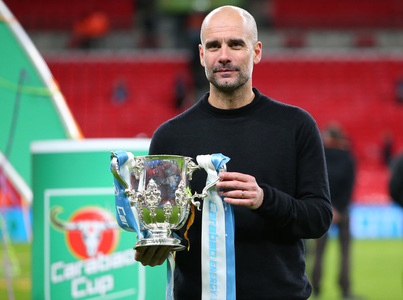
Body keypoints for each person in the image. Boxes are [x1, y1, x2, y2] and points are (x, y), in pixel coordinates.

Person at [134, 5, 332, 300]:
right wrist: (154, 245)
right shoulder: (170, 136)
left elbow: (318, 218)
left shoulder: (295, 126)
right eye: (214, 46)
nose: (223, 55)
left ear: (257, 51)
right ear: (202, 55)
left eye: (235, 44)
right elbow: (161, 229)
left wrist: (265, 199)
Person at [311, 125, 358, 299]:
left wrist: (328, 207)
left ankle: (315, 289)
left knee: (318, 253)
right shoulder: (348, 157)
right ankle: (345, 290)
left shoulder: (319, 155)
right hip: (342, 210)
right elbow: (349, 186)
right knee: (345, 252)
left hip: (321, 209)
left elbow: (316, 182)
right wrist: (338, 208)